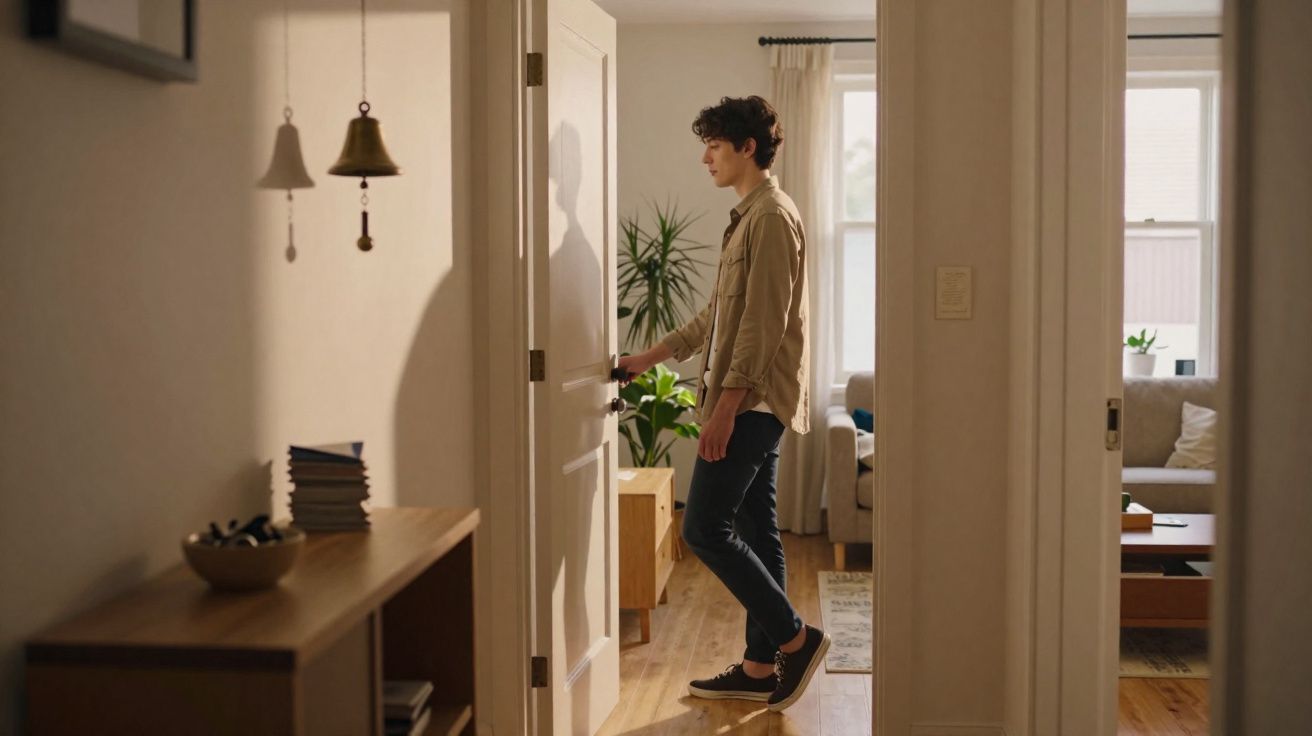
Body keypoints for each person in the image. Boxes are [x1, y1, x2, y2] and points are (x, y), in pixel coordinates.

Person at [617, 95, 828, 712]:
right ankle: (761, 667)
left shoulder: (770, 217)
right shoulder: (749, 217)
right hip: (753, 399)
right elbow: (717, 316)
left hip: (753, 402)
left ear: (747, 148)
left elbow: (763, 325)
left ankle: (796, 637)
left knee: (703, 527)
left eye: (714, 145)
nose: (705, 157)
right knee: (758, 533)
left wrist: (726, 407)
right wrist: (646, 359)